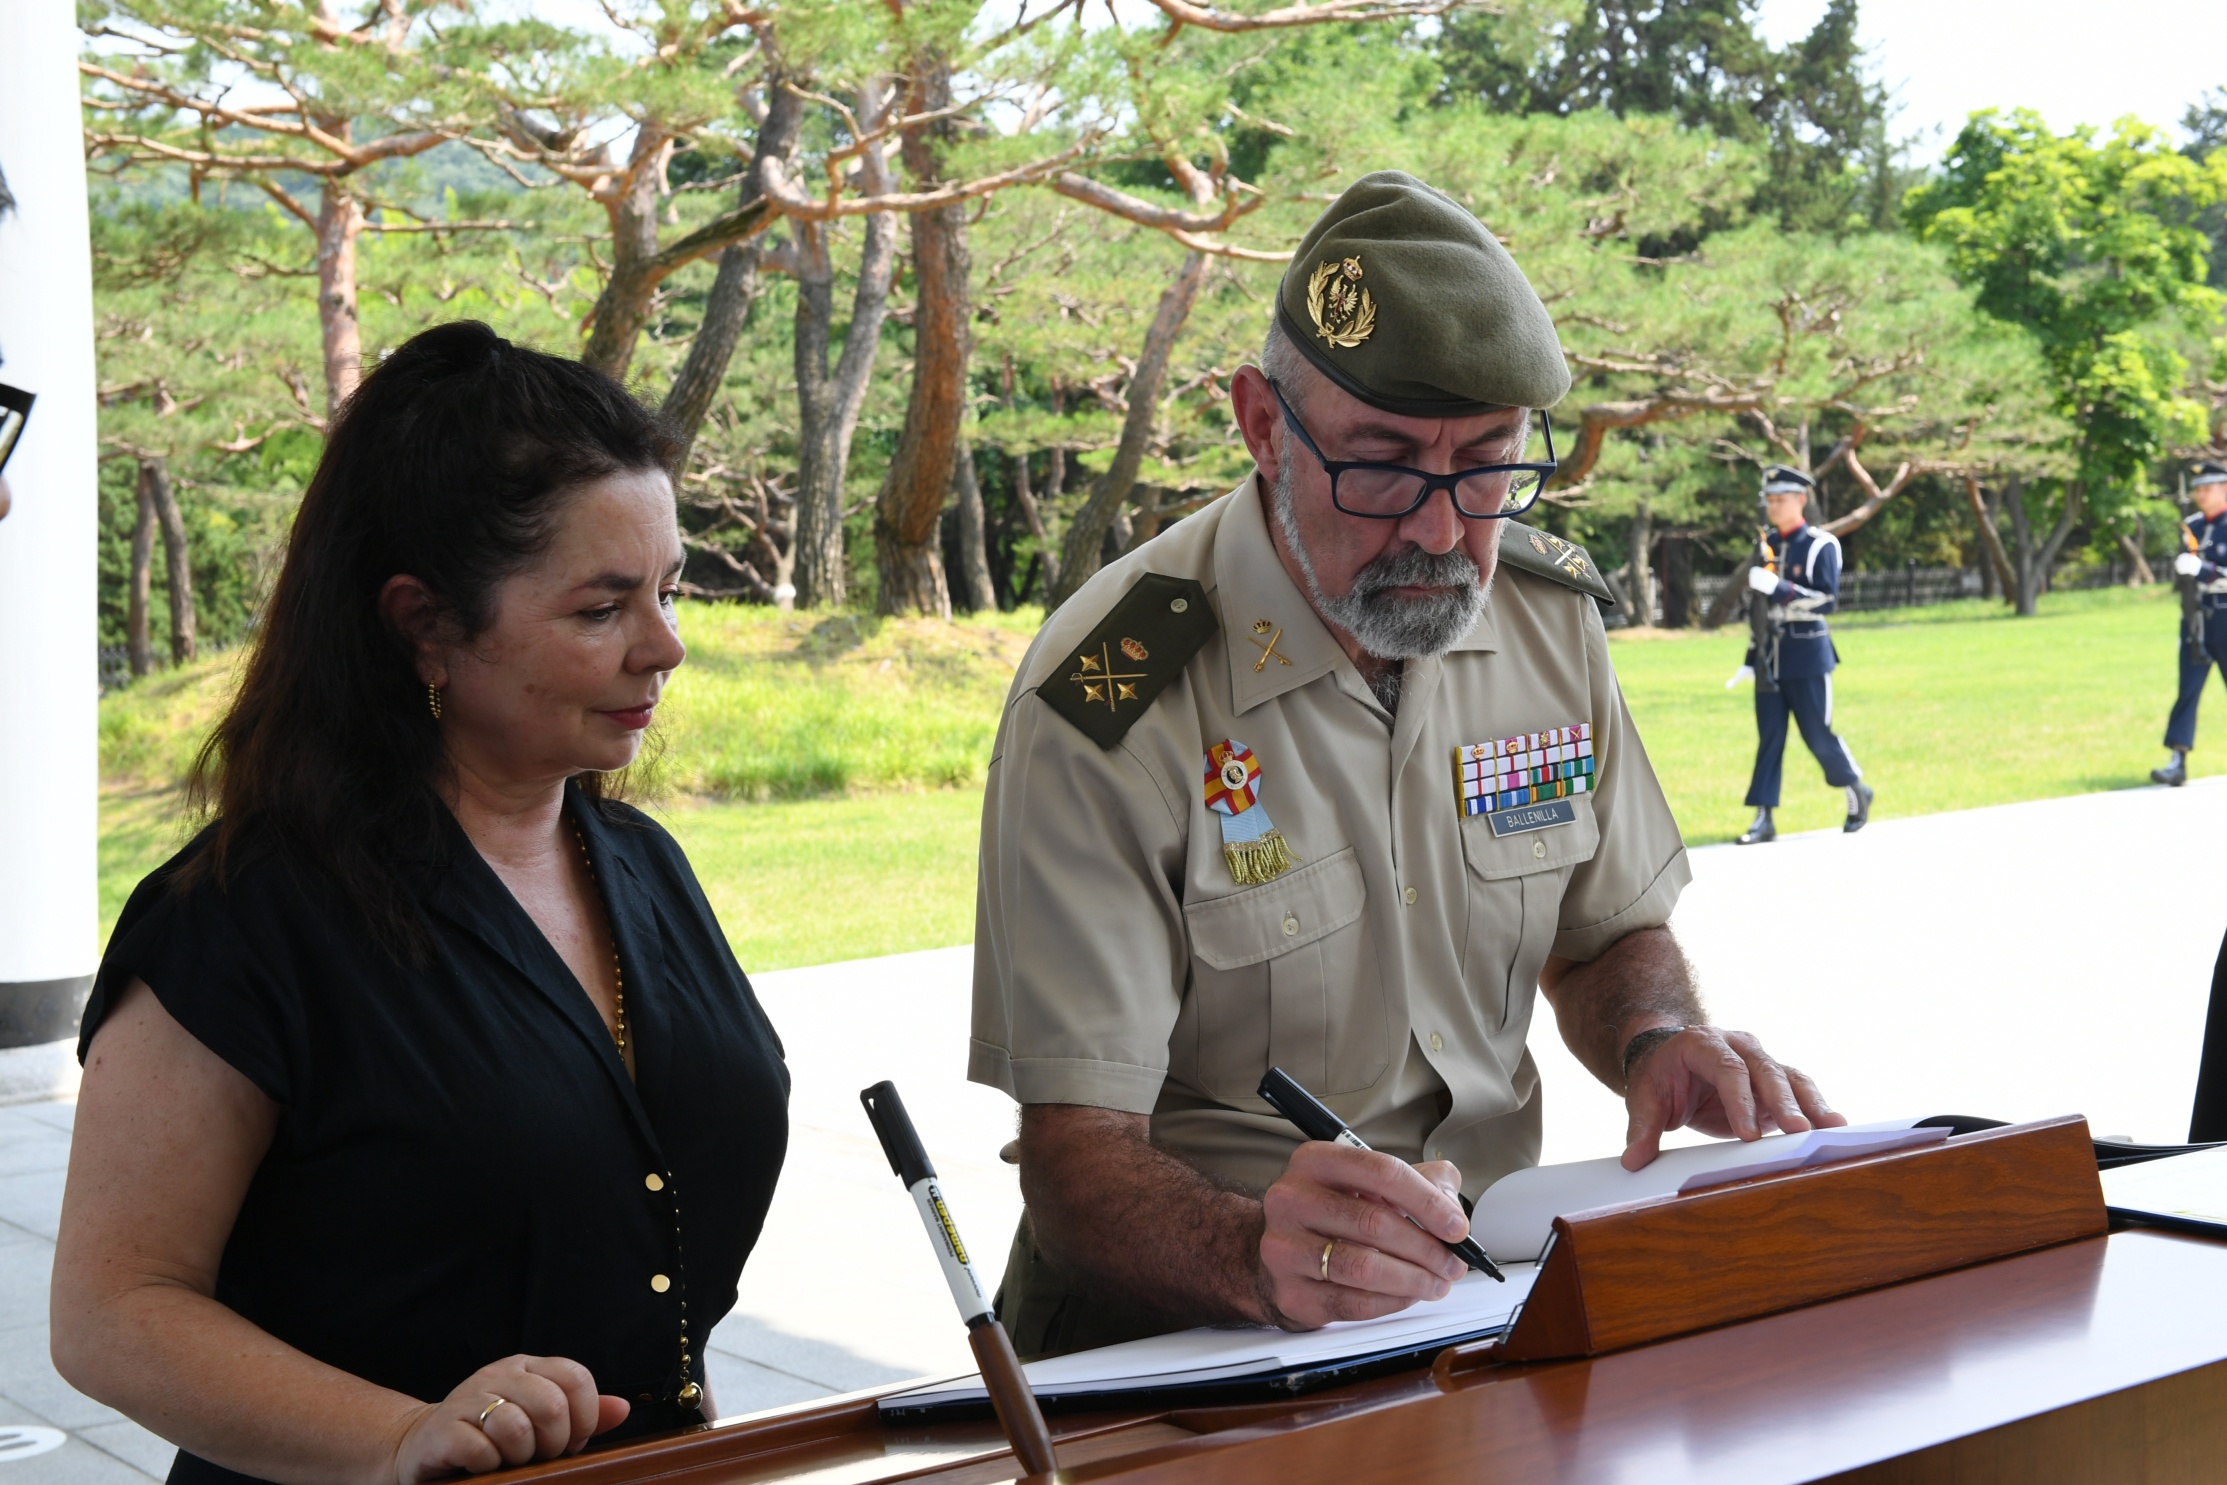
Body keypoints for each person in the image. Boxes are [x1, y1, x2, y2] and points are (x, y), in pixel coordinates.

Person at [970, 171, 1843, 1359]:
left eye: (1485, 466)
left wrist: (1658, 1040)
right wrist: (1253, 1252)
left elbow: (1601, 937)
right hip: (1180, 1349)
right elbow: (1075, 1163)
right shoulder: (1115, 688)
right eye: (1379, 466)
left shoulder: (1544, 620)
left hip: (1480, 1302)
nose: (1440, 531)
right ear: (1263, 426)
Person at [51, 322, 790, 1485]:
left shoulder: (642, 863)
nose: (666, 647)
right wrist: (399, 1436)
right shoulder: (242, 917)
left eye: (668, 590)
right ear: (425, 625)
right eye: (601, 609)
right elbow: (112, 1310)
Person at [1731, 465, 1872, 844]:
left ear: (1801, 501)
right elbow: (1759, 611)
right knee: (1770, 738)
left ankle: (1855, 790)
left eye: (1781, 500)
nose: (1773, 507)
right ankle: (1764, 818)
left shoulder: (1822, 545)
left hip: (1807, 655)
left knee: (1817, 734)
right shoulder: (1766, 545)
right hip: (1769, 660)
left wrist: (1780, 588)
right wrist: (1749, 658)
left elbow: (1826, 600)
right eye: (1770, 500)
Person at [2152, 460, 2227, 787]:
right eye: (2197, 489)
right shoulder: (2192, 526)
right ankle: (2177, 759)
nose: (2200, 495)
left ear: (2224, 489)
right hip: (2196, 620)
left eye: (2207, 488)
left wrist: (2205, 571)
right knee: (2188, 690)